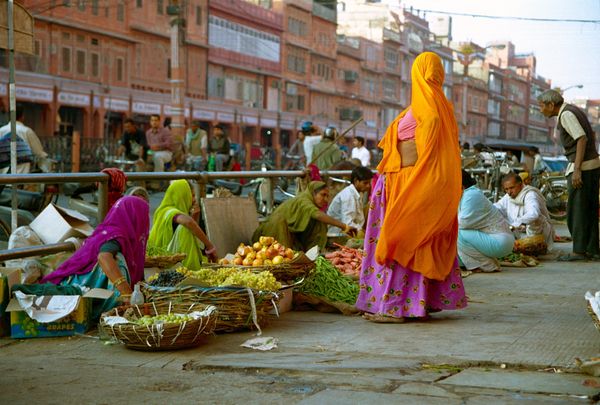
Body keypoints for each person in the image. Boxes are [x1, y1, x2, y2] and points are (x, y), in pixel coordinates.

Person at [355, 52, 467, 323]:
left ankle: (395, 308)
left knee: (401, 241)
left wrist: (415, 187)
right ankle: (419, 304)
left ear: (418, 72)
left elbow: (426, 154)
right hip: (403, 182)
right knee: (417, 243)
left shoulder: (429, 109)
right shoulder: (434, 106)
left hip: (407, 185)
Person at [41, 196, 149, 320]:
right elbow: (103, 257)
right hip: (81, 285)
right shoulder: (115, 234)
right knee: (118, 262)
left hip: (87, 283)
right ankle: (106, 307)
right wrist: (127, 293)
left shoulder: (123, 234)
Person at [537, 89, 600, 261]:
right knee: (589, 210)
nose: (540, 110)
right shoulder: (572, 110)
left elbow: (581, 138)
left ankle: (579, 251)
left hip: (584, 168)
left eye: (542, 106)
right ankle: (592, 249)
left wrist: (577, 169)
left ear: (551, 104)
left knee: (576, 211)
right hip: (591, 165)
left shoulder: (566, 114)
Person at [252, 181, 357, 252]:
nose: (326, 199)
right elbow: (317, 214)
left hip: (289, 235)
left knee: (318, 223)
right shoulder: (304, 200)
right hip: (270, 233)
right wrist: (344, 226)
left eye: (327, 196)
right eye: (322, 195)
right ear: (313, 193)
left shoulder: (309, 202)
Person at [147, 179, 217, 269]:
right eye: (192, 196)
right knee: (185, 229)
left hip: (173, 257)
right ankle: (191, 269)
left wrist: (194, 216)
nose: (194, 200)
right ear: (182, 196)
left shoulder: (178, 212)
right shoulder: (168, 211)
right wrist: (210, 247)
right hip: (165, 261)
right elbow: (188, 223)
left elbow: (191, 227)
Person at [458, 170, 514, 273]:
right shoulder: (465, 194)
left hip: (500, 241)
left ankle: (486, 265)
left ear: (461, 185)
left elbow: (463, 223)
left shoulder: (471, 194)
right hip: (496, 240)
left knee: (457, 232)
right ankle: (481, 263)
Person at [494, 172, 555, 251]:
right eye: (506, 189)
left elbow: (534, 214)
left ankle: (535, 248)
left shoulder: (530, 194)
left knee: (536, 220)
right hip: (519, 234)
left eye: (512, 188)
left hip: (539, 234)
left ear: (520, 184)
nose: (509, 192)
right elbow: (498, 207)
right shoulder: (508, 196)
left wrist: (515, 224)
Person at [0, 103, 50, 173]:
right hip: (21, 177)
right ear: (22, 116)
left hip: (4, 177)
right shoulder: (27, 131)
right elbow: (39, 153)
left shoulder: (1, 131)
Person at [327, 166, 373, 238]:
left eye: (369, 183)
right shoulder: (348, 196)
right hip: (337, 234)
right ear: (356, 181)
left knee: (371, 205)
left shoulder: (357, 193)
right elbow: (348, 223)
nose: (368, 186)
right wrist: (364, 233)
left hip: (351, 230)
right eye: (365, 183)